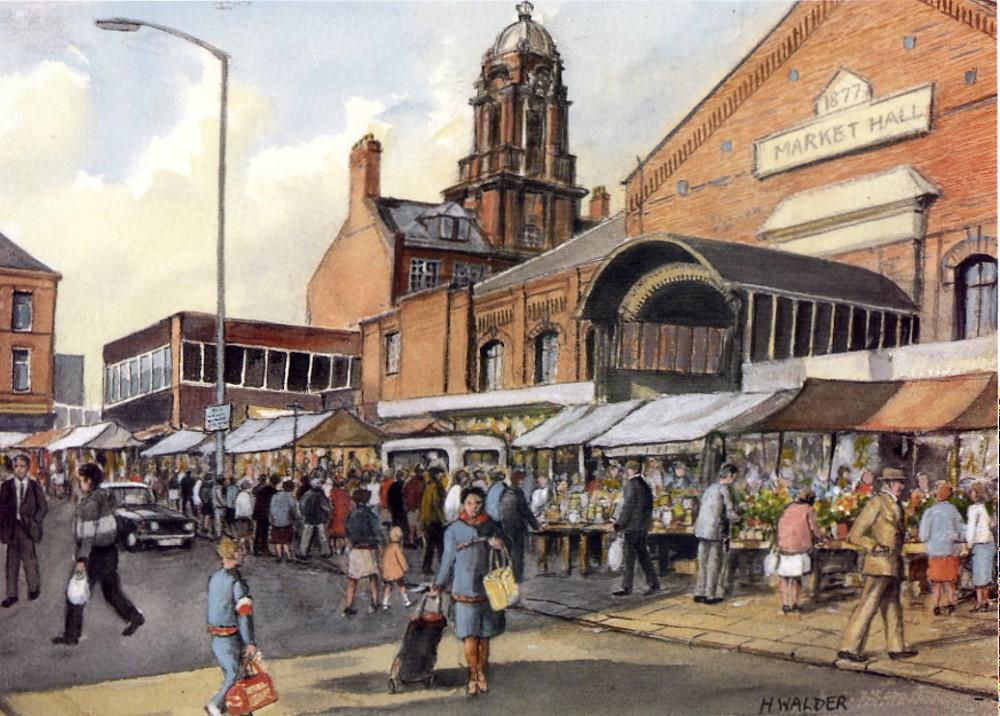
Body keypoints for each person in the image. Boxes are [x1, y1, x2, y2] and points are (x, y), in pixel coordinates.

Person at [52, 463, 144, 645]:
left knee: (76, 595)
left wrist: (81, 559)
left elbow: (88, 535)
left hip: (94, 555)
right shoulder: (104, 496)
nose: (79, 483)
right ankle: (134, 616)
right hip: (109, 552)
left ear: (89, 480)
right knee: (111, 591)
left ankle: (71, 635)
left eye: (81, 480)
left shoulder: (91, 503)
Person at [430, 486, 507, 697]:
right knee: (469, 637)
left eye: (478, 503)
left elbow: (505, 545)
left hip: (489, 588)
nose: (474, 508)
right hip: (463, 589)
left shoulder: (491, 525)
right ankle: (473, 674)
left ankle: (482, 672)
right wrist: (438, 584)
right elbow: (447, 560)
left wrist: (496, 543)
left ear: (484, 505)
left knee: (485, 637)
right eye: (470, 503)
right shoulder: (453, 529)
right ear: (463, 504)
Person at [838, 468, 918, 662]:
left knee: (892, 605)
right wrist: (873, 545)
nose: (902, 486)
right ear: (888, 484)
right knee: (869, 604)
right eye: (898, 482)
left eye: (902, 482)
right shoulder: (877, 502)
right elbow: (855, 533)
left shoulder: (895, 504)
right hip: (878, 563)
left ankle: (896, 647)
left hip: (892, 564)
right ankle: (849, 647)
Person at [204, 537, 257, 716]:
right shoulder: (237, 583)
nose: (243, 554)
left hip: (216, 636)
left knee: (235, 675)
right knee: (234, 674)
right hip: (230, 637)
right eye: (240, 550)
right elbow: (244, 615)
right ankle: (215, 705)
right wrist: (250, 642)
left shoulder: (215, 578)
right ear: (232, 554)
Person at [0, 454, 48, 607]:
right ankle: (11, 594)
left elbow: (43, 507)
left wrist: (35, 521)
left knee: (30, 561)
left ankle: (33, 588)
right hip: (12, 529)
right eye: (16, 466)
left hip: (28, 529)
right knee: (11, 564)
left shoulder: (34, 485)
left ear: (28, 468)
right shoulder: (6, 486)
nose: (19, 469)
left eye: (22, 466)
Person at [612, 460, 660, 597]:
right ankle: (654, 584)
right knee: (644, 556)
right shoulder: (645, 485)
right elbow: (649, 507)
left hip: (632, 527)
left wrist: (619, 524)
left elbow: (627, 508)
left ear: (630, 470)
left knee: (629, 558)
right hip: (643, 526)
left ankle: (627, 587)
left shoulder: (632, 485)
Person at [918, 481, 965, 616]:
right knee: (951, 581)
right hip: (950, 550)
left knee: (936, 582)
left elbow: (923, 535)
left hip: (935, 551)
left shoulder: (930, 512)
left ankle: (936, 606)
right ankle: (951, 604)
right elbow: (961, 530)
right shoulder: (954, 510)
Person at [693, 463, 737, 605]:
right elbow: (730, 512)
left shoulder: (710, 488)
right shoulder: (724, 490)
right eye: (734, 476)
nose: (734, 479)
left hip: (701, 529)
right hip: (714, 530)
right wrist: (739, 516)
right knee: (714, 563)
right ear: (730, 475)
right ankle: (710, 595)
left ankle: (699, 592)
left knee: (703, 562)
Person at [775, 489, 825, 613]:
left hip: (784, 546)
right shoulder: (808, 509)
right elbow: (814, 529)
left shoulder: (788, 508)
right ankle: (795, 603)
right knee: (797, 577)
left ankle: (785, 603)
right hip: (799, 547)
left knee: (785, 576)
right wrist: (822, 537)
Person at [342, 488, 383, 616]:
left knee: (352, 579)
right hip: (369, 549)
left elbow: (347, 531)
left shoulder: (351, 515)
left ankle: (349, 604)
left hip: (356, 549)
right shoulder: (371, 515)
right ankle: (375, 602)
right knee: (373, 576)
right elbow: (377, 530)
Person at [499, 470, 540, 583]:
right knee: (517, 552)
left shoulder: (505, 492)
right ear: (517, 480)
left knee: (509, 551)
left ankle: (508, 576)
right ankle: (517, 576)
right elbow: (525, 511)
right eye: (521, 480)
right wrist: (536, 525)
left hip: (506, 526)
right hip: (517, 526)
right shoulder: (518, 493)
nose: (522, 482)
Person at [965, 481, 995, 612]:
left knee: (978, 574)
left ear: (976, 493)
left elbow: (971, 529)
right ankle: (986, 601)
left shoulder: (973, 509)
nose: (970, 494)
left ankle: (979, 602)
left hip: (978, 544)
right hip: (989, 543)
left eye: (972, 491)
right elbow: (993, 524)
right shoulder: (987, 508)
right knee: (986, 573)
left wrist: (969, 543)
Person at [420, 468, 446, 575]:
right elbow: (436, 504)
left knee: (430, 546)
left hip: (427, 520)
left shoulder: (428, 487)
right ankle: (444, 567)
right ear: (436, 475)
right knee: (440, 545)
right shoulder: (436, 487)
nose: (442, 476)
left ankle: (426, 567)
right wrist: (443, 519)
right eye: (440, 474)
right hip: (435, 520)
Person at [299, 477, 332, 559]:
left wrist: (303, 514)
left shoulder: (307, 494)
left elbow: (301, 505)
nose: (321, 485)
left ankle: (303, 552)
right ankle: (326, 552)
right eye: (320, 483)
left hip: (309, 518)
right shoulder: (320, 495)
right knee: (323, 536)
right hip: (319, 518)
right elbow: (325, 507)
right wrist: (329, 512)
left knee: (306, 536)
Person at [381, 526, 411, 610]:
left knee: (388, 586)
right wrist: (405, 568)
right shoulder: (397, 547)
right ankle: (406, 600)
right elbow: (401, 559)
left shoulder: (388, 547)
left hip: (387, 571)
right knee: (401, 585)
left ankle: (385, 603)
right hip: (396, 571)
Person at [269, 479, 298, 562]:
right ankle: (288, 555)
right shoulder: (290, 497)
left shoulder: (275, 496)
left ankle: (278, 555)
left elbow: (271, 508)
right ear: (291, 488)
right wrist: (295, 518)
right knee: (286, 539)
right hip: (286, 521)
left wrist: (272, 518)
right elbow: (293, 509)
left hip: (276, 521)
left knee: (277, 539)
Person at [252, 475, 279, 556]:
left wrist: (255, 513)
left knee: (260, 531)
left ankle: (259, 549)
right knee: (263, 531)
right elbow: (273, 505)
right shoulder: (273, 491)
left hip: (261, 512)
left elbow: (257, 502)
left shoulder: (263, 489)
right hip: (266, 513)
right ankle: (261, 549)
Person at [328, 474, 353, 555]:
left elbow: (330, 504)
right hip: (344, 514)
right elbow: (349, 505)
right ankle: (346, 548)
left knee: (335, 534)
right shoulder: (346, 493)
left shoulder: (332, 492)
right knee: (345, 533)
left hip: (335, 514)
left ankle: (337, 549)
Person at [403, 469, 425, 547]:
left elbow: (405, 496)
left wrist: (408, 506)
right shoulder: (421, 483)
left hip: (411, 507)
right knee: (418, 526)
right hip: (418, 507)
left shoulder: (409, 483)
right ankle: (420, 540)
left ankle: (412, 541)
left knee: (411, 526)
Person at [234, 479, 255, 554]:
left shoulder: (239, 495)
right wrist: (250, 515)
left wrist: (237, 515)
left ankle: (244, 549)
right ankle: (250, 549)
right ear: (248, 488)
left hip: (240, 517)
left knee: (242, 534)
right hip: (247, 517)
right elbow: (248, 507)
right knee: (249, 534)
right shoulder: (247, 496)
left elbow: (237, 507)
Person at [386, 469, 408, 536]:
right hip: (396, 508)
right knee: (398, 523)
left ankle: (401, 537)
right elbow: (389, 497)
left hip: (400, 507)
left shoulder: (404, 484)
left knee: (402, 523)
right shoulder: (394, 485)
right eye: (398, 475)